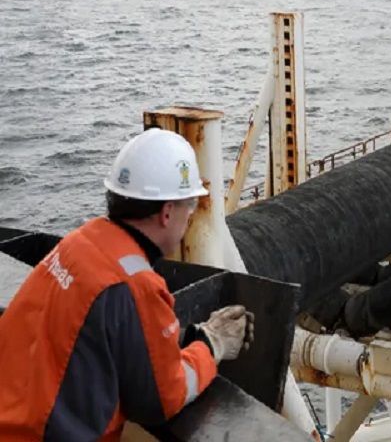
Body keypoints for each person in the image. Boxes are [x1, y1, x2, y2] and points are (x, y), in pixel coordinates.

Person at [0, 128, 253, 441]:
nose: (189, 217)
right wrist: (212, 344)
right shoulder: (135, 285)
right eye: (189, 206)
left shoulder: (78, 243)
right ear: (167, 212)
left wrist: (186, 338)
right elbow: (162, 399)